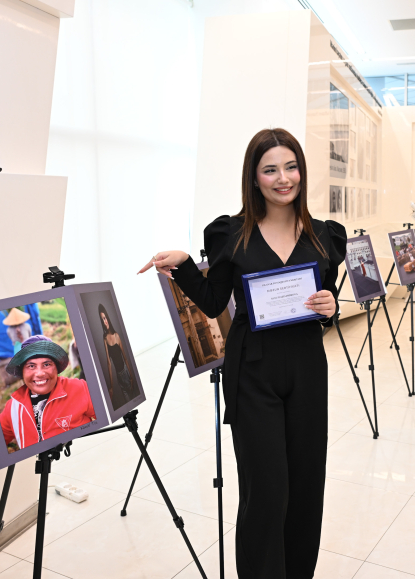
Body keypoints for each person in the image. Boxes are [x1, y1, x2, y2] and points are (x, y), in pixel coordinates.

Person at [141, 128, 346, 579]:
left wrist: (330, 307)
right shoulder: (230, 233)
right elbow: (214, 301)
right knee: (267, 491)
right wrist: (182, 267)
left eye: (290, 167)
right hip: (253, 370)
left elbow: (325, 299)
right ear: (254, 178)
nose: (283, 178)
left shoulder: (325, 235)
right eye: (270, 169)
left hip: (308, 367)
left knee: (307, 487)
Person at [0, 335, 96, 450]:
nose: (39, 373)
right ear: (22, 372)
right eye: (31, 366)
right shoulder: (13, 407)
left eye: (46, 364)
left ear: (56, 367)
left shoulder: (80, 389)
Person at [98, 303, 138, 409]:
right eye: (102, 319)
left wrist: (132, 377)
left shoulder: (116, 336)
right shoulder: (105, 338)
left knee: (133, 401)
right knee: (128, 403)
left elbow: (125, 358)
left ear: (108, 318)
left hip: (125, 372)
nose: (104, 321)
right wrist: (111, 387)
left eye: (105, 318)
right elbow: (108, 362)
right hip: (118, 376)